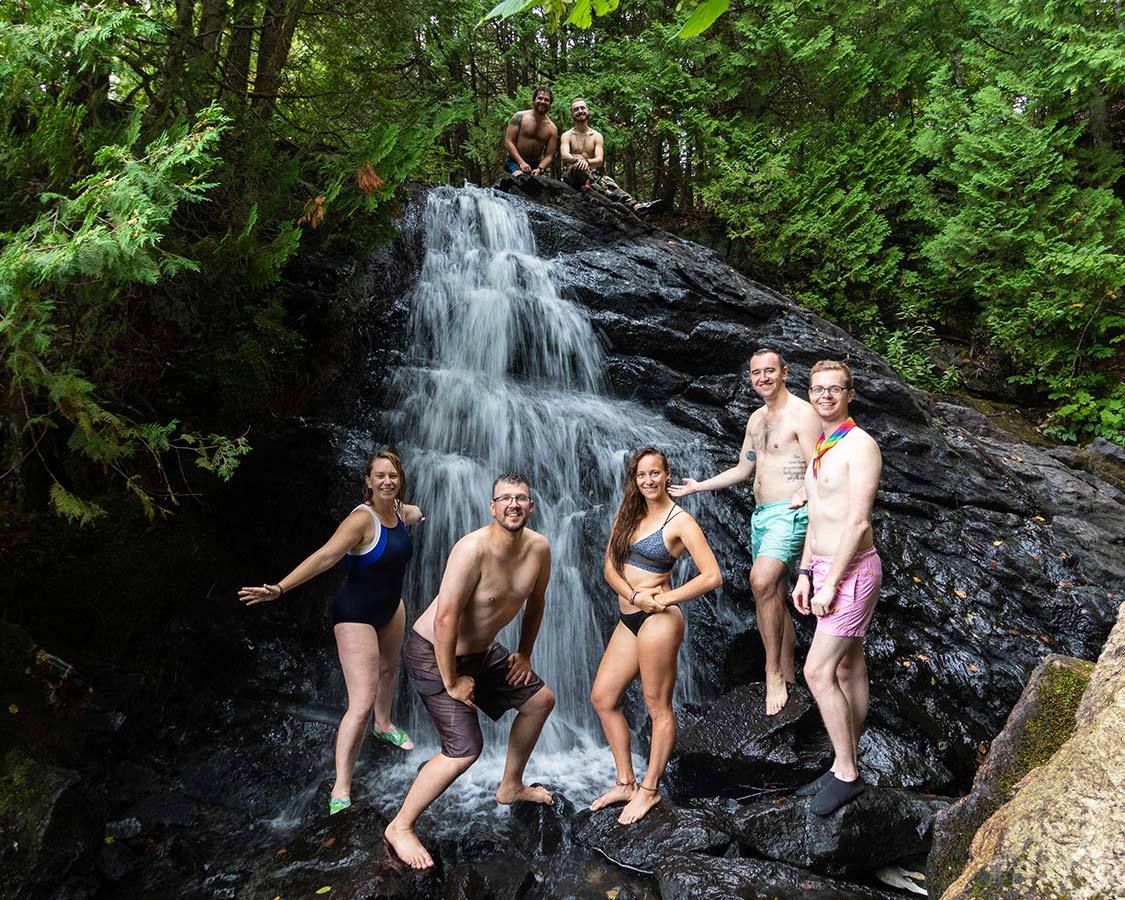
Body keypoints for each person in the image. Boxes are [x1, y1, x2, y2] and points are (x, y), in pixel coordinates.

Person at [383, 473, 555, 869]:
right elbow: (445, 619)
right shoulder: (471, 549)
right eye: (504, 499)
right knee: (464, 750)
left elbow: (537, 602)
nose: (513, 505)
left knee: (540, 700)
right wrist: (451, 681)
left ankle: (511, 786)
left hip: (481, 652)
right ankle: (401, 826)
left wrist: (525, 653)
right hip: (432, 652)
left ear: (531, 506)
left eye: (521, 498)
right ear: (492, 507)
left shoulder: (539, 550)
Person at [238, 451, 423, 816]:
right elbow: (325, 557)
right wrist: (279, 588)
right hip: (355, 615)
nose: (387, 481)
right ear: (368, 481)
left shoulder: (401, 512)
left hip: (392, 608)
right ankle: (341, 785)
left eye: (394, 476)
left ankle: (384, 726)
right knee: (361, 702)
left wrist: (420, 514)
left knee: (390, 670)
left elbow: (414, 514)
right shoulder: (361, 520)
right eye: (380, 476)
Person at [670, 349, 820, 716]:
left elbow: (822, 462)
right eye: (756, 373)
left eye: (770, 371)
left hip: (792, 512)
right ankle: (788, 670)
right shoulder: (756, 419)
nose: (763, 378)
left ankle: (771, 672)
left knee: (762, 581)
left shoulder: (803, 413)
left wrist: (805, 491)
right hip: (762, 516)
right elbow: (743, 469)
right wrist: (697, 487)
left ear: (784, 373)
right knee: (775, 593)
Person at [589, 447, 722, 824]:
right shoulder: (628, 512)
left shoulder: (680, 521)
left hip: (660, 621)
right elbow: (609, 566)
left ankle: (650, 789)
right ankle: (625, 781)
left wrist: (664, 598)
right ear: (635, 479)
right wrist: (633, 597)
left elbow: (712, 575)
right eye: (641, 475)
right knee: (602, 697)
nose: (648, 481)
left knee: (656, 707)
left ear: (667, 475)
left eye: (655, 474)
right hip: (630, 616)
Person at [791, 360, 883, 816]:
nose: (825, 396)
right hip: (824, 567)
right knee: (847, 669)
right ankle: (844, 757)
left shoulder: (861, 446)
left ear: (850, 394)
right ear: (810, 394)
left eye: (834, 389)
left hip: (853, 572)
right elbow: (815, 517)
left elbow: (857, 520)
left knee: (816, 671)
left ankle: (847, 773)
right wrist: (806, 573)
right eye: (817, 389)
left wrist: (830, 582)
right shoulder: (823, 445)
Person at [559, 97, 664, 214]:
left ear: (587, 110)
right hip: (572, 176)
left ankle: (636, 206)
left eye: (582, 108)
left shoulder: (596, 136)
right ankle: (608, 193)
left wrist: (586, 161)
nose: (580, 111)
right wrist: (577, 160)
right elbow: (564, 155)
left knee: (607, 180)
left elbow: (599, 160)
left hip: (592, 177)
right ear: (572, 113)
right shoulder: (567, 135)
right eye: (576, 109)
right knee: (578, 167)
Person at [504, 86, 558, 177]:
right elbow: (508, 142)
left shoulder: (552, 128)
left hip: (536, 164)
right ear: (534, 100)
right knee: (520, 178)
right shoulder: (519, 117)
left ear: (550, 103)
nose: (543, 102)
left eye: (546, 100)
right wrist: (521, 163)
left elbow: (549, 155)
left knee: (544, 183)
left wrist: (539, 169)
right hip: (514, 161)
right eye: (540, 98)